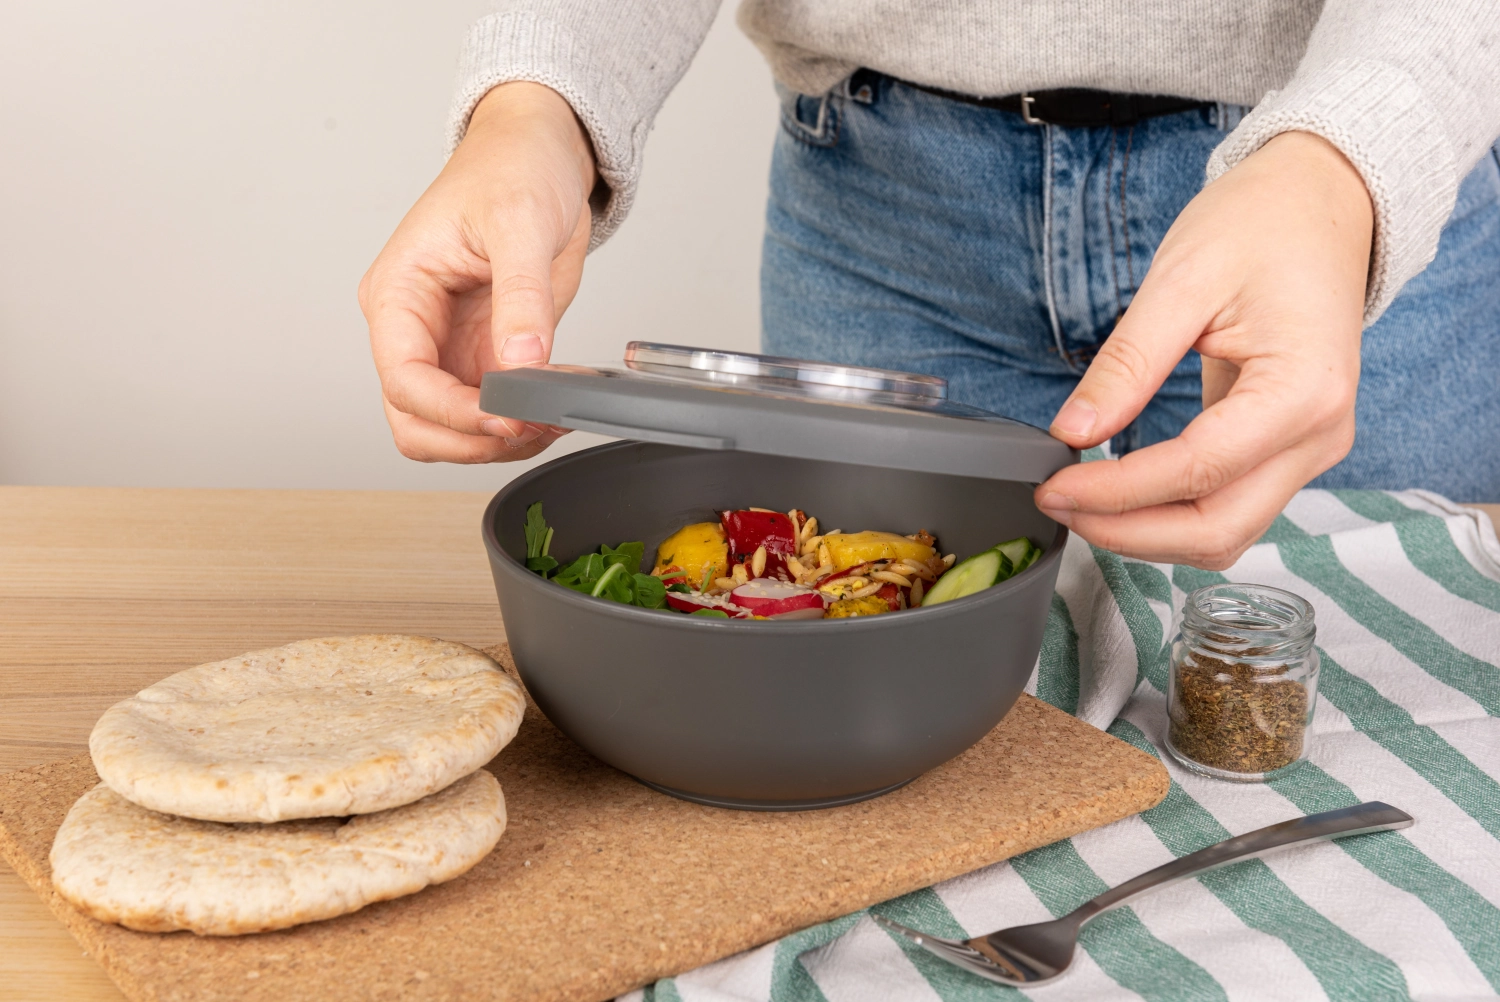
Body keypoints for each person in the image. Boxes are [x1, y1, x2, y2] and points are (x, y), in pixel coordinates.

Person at [359, 1, 1500, 570]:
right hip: (885, 210)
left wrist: (1349, 163)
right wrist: (539, 108)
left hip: (1342, 205)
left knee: (1374, 739)